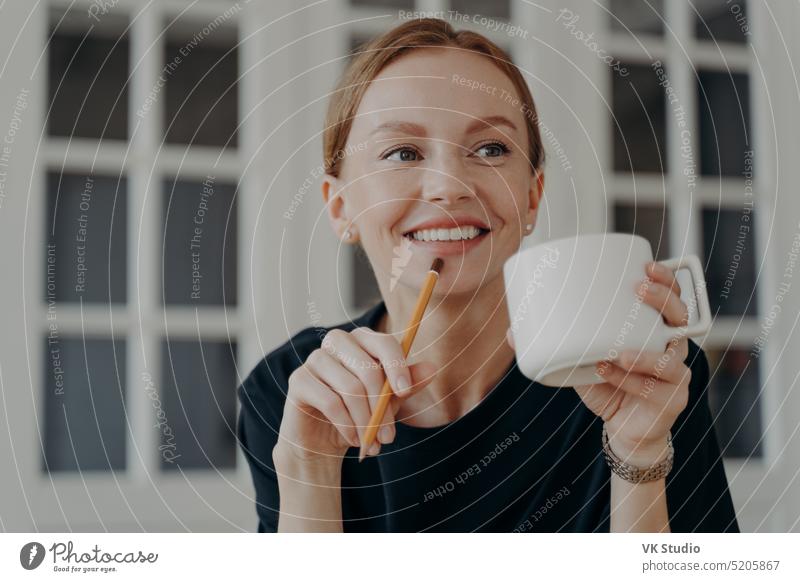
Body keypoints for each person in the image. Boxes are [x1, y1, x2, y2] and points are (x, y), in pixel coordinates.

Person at [236, 18, 739, 533]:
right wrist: (307, 470)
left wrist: (640, 455)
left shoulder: (643, 372)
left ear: (532, 197)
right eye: (402, 153)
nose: (449, 187)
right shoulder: (289, 393)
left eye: (491, 149)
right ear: (340, 207)